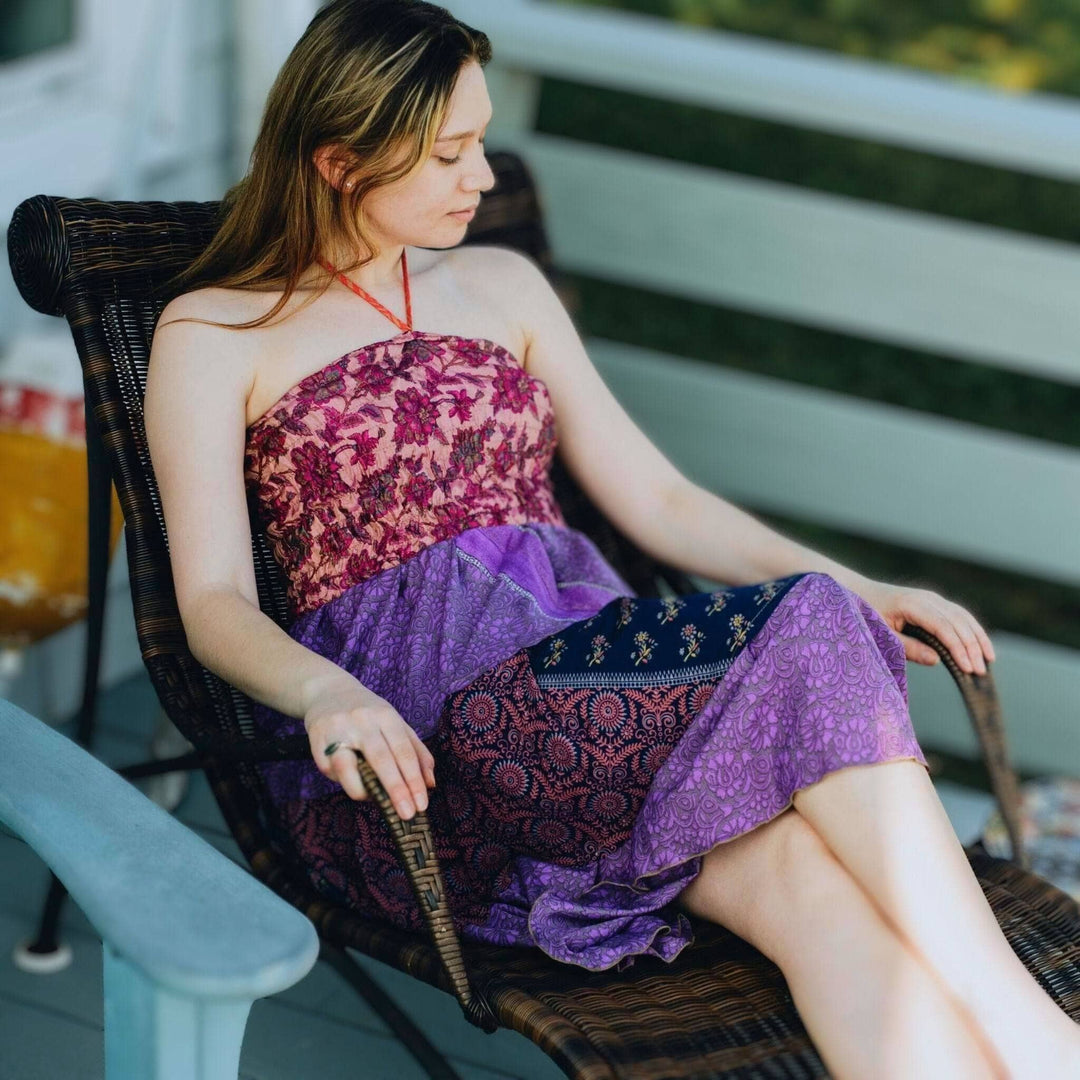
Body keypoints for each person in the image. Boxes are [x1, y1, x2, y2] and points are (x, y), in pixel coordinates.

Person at [144, 1, 1078, 1076]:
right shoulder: (216, 330)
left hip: (597, 691)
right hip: (440, 723)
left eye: (481, 140)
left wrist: (863, 580)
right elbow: (210, 599)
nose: (483, 176)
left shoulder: (501, 284)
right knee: (812, 624)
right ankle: (1047, 1040)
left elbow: (662, 502)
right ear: (341, 162)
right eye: (449, 152)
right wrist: (322, 693)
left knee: (810, 891)